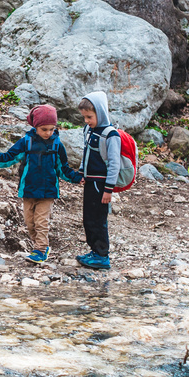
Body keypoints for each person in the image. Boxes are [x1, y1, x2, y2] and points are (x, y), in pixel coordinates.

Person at [0, 104, 83, 263]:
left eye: (51, 129)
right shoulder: (26, 142)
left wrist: (77, 177)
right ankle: (39, 246)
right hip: (28, 190)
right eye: (44, 129)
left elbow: (63, 169)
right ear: (35, 126)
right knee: (30, 223)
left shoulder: (56, 144)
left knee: (41, 222)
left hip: (48, 192)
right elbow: (9, 158)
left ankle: (40, 249)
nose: (48, 133)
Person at [75, 91, 121, 270]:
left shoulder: (110, 135)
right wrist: (81, 172)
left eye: (89, 117)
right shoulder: (89, 130)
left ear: (100, 113)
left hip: (101, 184)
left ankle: (102, 255)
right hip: (90, 182)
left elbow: (114, 164)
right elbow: (85, 153)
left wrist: (108, 189)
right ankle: (94, 250)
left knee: (98, 219)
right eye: (84, 117)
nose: (86, 120)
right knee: (88, 218)